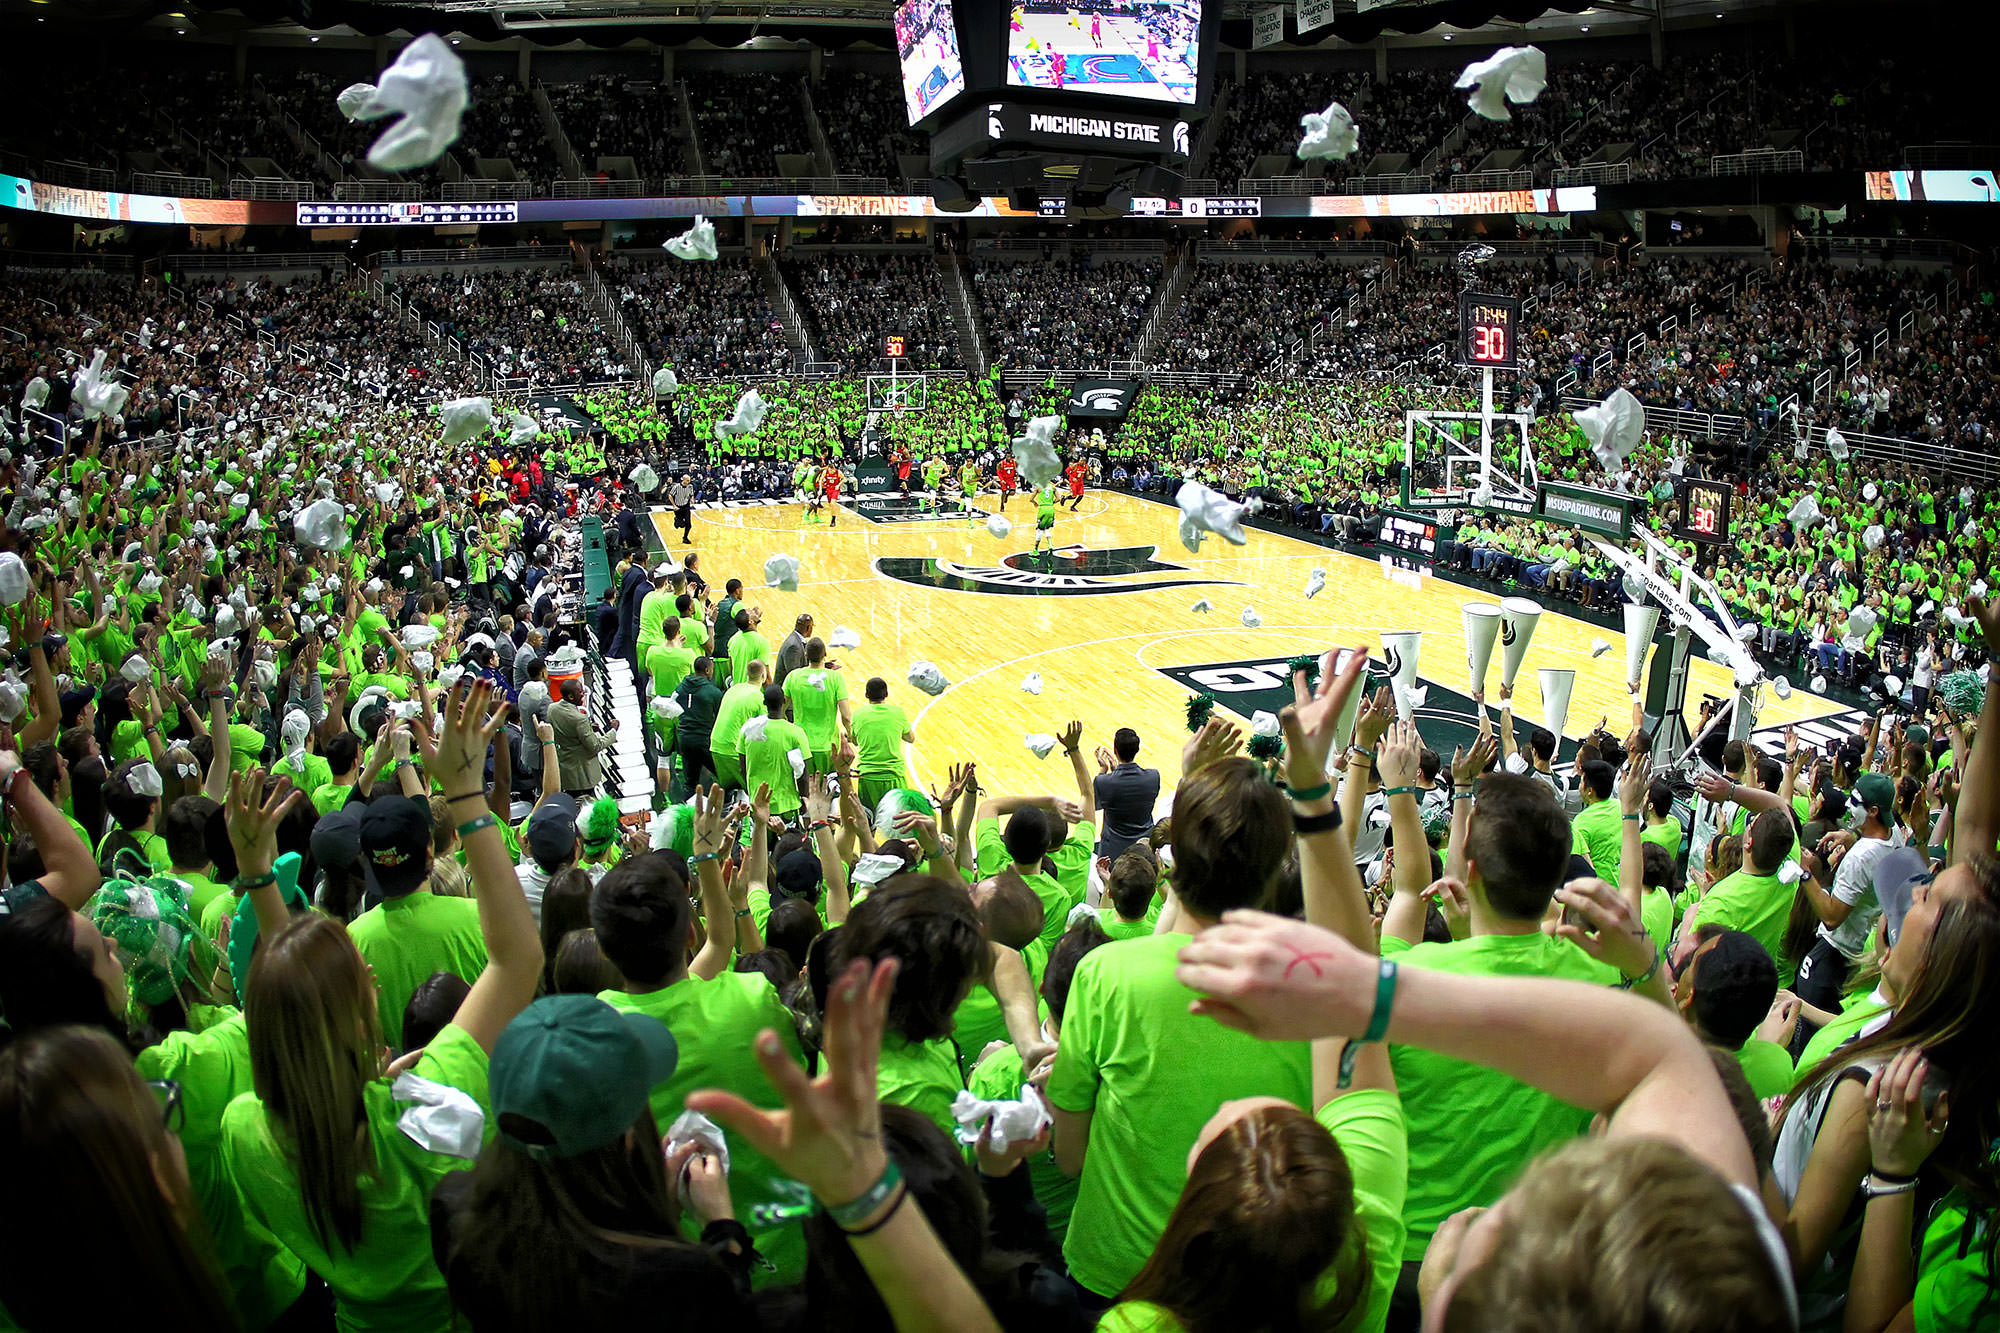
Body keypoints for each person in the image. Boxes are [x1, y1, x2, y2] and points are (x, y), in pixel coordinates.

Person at [221, 684, 544, 1333]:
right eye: (355, 971)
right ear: (349, 1013)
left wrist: (258, 876)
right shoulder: (425, 1107)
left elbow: (294, 995)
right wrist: (466, 794)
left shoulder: (244, 1130)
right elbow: (518, 959)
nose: (366, 966)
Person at [428, 994, 755, 1331]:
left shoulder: (454, 1212)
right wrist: (723, 1232)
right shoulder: (679, 1280)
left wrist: (655, 1215)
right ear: (628, 1137)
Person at [590, 808, 811, 1279]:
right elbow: (720, 942)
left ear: (605, 952)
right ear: (688, 933)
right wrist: (706, 858)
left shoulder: (600, 1031)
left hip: (689, 1275)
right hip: (798, 1255)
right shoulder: (751, 998)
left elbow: (716, 946)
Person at [348, 793, 491, 1049]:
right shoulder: (478, 917)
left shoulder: (354, 940)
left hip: (400, 1083)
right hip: (477, 1078)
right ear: (429, 852)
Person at [1091, 727, 1160, 861]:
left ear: (1115, 750)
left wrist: (1103, 770)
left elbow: (1093, 804)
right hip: (1144, 849)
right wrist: (1116, 772)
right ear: (1137, 749)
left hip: (1113, 853)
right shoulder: (1153, 776)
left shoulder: (1104, 782)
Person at [852, 678, 914, 815]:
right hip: (894, 775)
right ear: (886, 694)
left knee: (868, 823)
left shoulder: (857, 715)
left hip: (868, 777)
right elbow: (911, 738)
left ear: (866, 695)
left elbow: (855, 741)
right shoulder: (898, 713)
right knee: (901, 824)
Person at [549, 678, 617, 799]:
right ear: (570, 696)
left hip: (566, 769)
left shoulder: (552, 709)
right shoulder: (579, 719)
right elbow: (595, 746)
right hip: (583, 774)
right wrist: (613, 731)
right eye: (580, 692)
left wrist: (588, 728)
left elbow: (567, 730)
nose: (583, 694)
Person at [673, 657, 726, 795]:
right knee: (725, 778)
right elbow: (721, 717)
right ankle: (727, 810)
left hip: (684, 739)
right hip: (704, 740)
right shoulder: (713, 692)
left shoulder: (680, 687)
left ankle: (689, 813)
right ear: (707, 670)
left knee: (690, 783)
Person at [776, 614, 813, 688]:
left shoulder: (796, 640)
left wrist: (820, 667)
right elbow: (794, 675)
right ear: (808, 628)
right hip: (784, 693)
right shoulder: (793, 646)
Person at [669, 474, 696, 544]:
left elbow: (691, 494)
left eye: (689, 480)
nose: (689, 481)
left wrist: (692, 499)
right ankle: (677, 521)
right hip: (678, 507)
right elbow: (670, 495)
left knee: (688, 524)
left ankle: (685, 538)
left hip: (686, 506)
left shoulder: (690, 486)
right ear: (683, 480)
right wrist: (674, 505)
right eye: (687, 480)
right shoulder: (676, 487)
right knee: (681, 524)